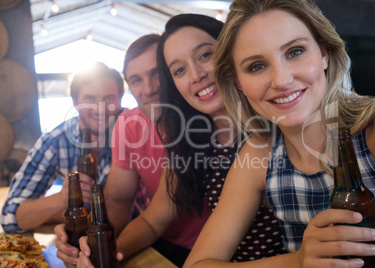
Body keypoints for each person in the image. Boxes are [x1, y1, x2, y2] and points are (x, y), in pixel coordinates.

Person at [184, 0, 375, 267]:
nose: (281, 80)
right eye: (256, 66)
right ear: (238, 84)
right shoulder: (260, 153)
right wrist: (298, 260)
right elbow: (199, 264)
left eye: (295, 51)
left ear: (325, 53)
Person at [77, 13, 286, 268]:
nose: (196, 75)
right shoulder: (193, 141)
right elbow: (153, 220)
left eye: (205, 55)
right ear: (174, 85)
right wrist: (106, 253)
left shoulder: (279, 124)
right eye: (179, 70)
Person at [54, 34, 211, 268]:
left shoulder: (209, 121)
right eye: (136, 80)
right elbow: (120, 202)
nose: (149, 88)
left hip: (222, 250)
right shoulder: (128, 124)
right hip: (160, 242)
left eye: (158, 73)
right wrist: (95, 249)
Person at [1, 62, 124, 233]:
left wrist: (63, 214)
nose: (99, 108)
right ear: (74, 102)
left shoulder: (136, 133)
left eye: (109, 98)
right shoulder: (54, 141)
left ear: (120, 101)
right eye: (89, 98)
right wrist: (62, 200)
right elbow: (10, 217)